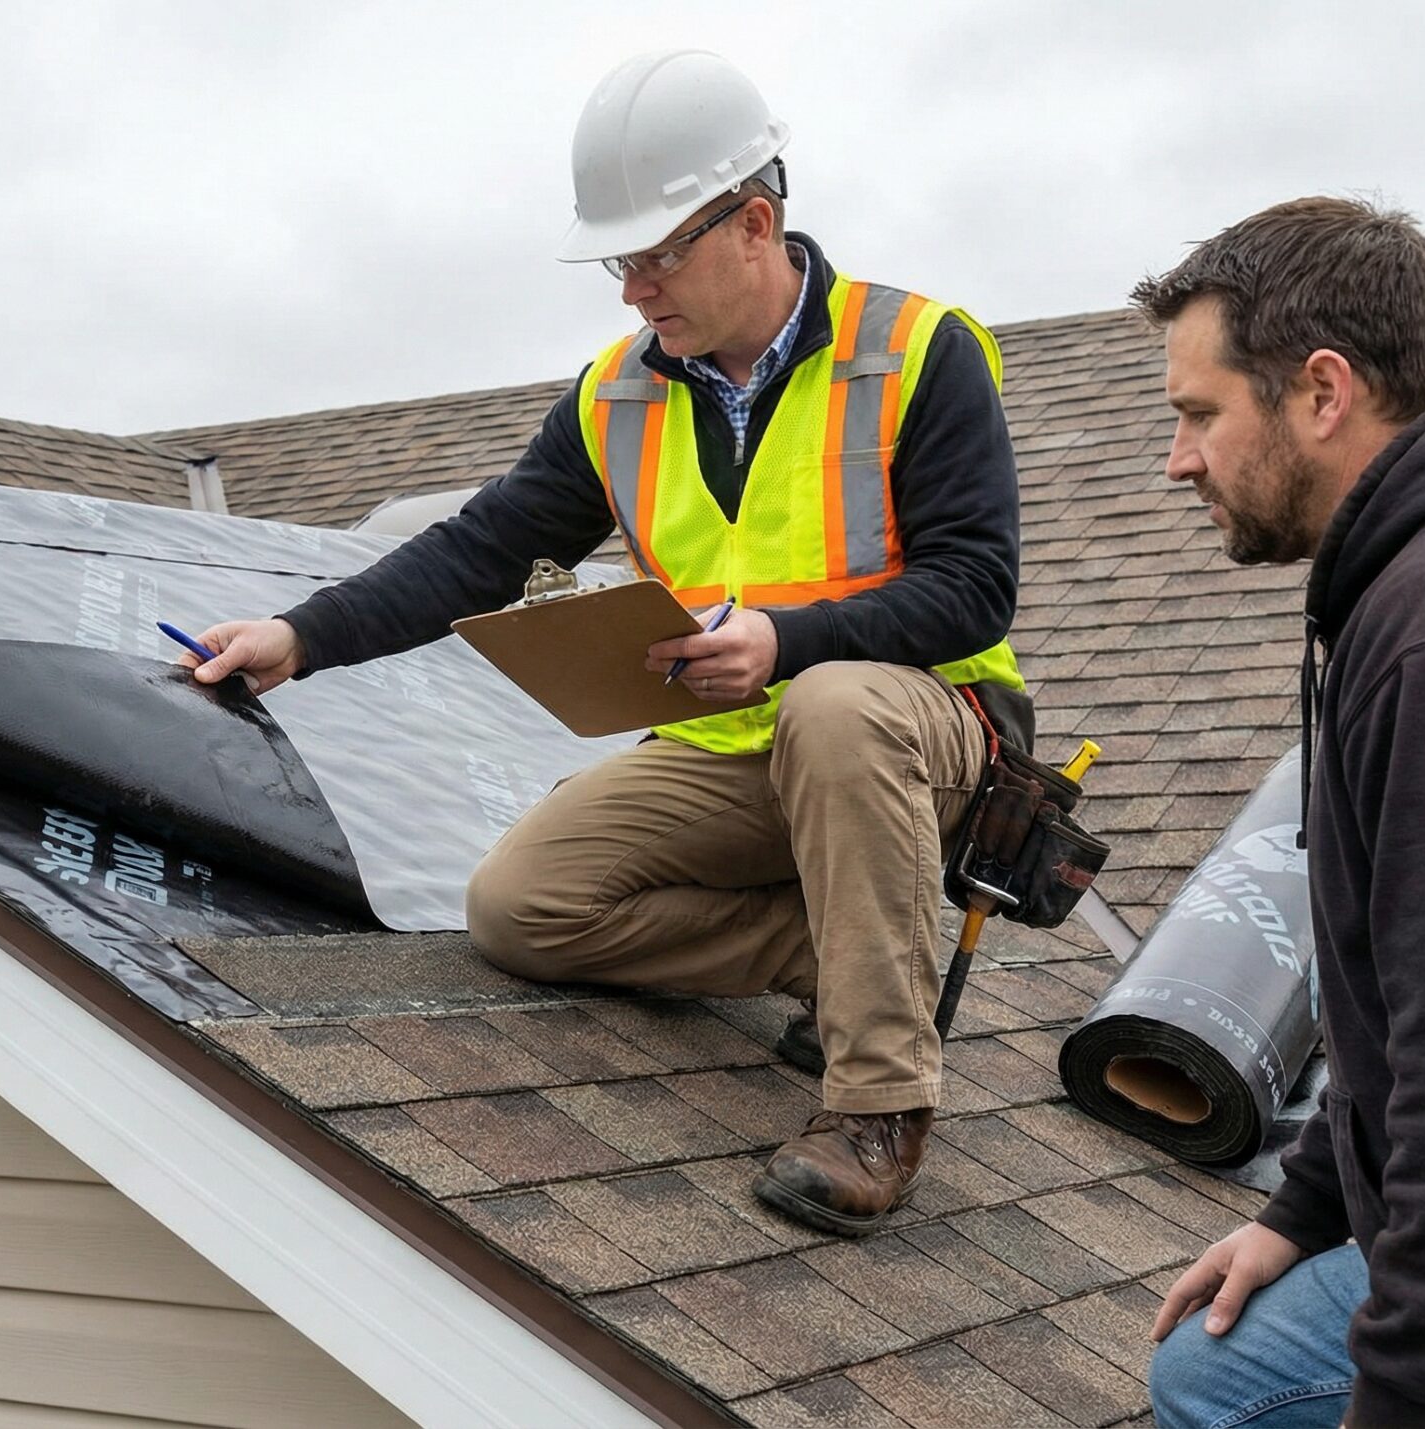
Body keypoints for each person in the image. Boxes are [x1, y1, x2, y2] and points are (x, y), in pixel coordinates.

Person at [183, 49, 1030, 1236]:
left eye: (653, 256)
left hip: (921, 741)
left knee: (833, 705)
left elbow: (975, 587)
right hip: (737, 744)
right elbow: (480, 548)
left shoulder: (919, 350)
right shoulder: (615, 395)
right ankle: (844, 956)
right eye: (618, 262)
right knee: (520, 908)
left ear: (754, 222)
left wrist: (785, 642)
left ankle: (878, 1105)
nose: (632, 290)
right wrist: (300, 635)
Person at [1138, 198, 1425, 1428]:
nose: (1178, 460)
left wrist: (1399, 1406)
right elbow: (1398, 993)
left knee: (1217, 1401)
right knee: (1209, 1366)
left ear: (1321, 393)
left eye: (1198, 413)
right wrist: (1305, 1211)